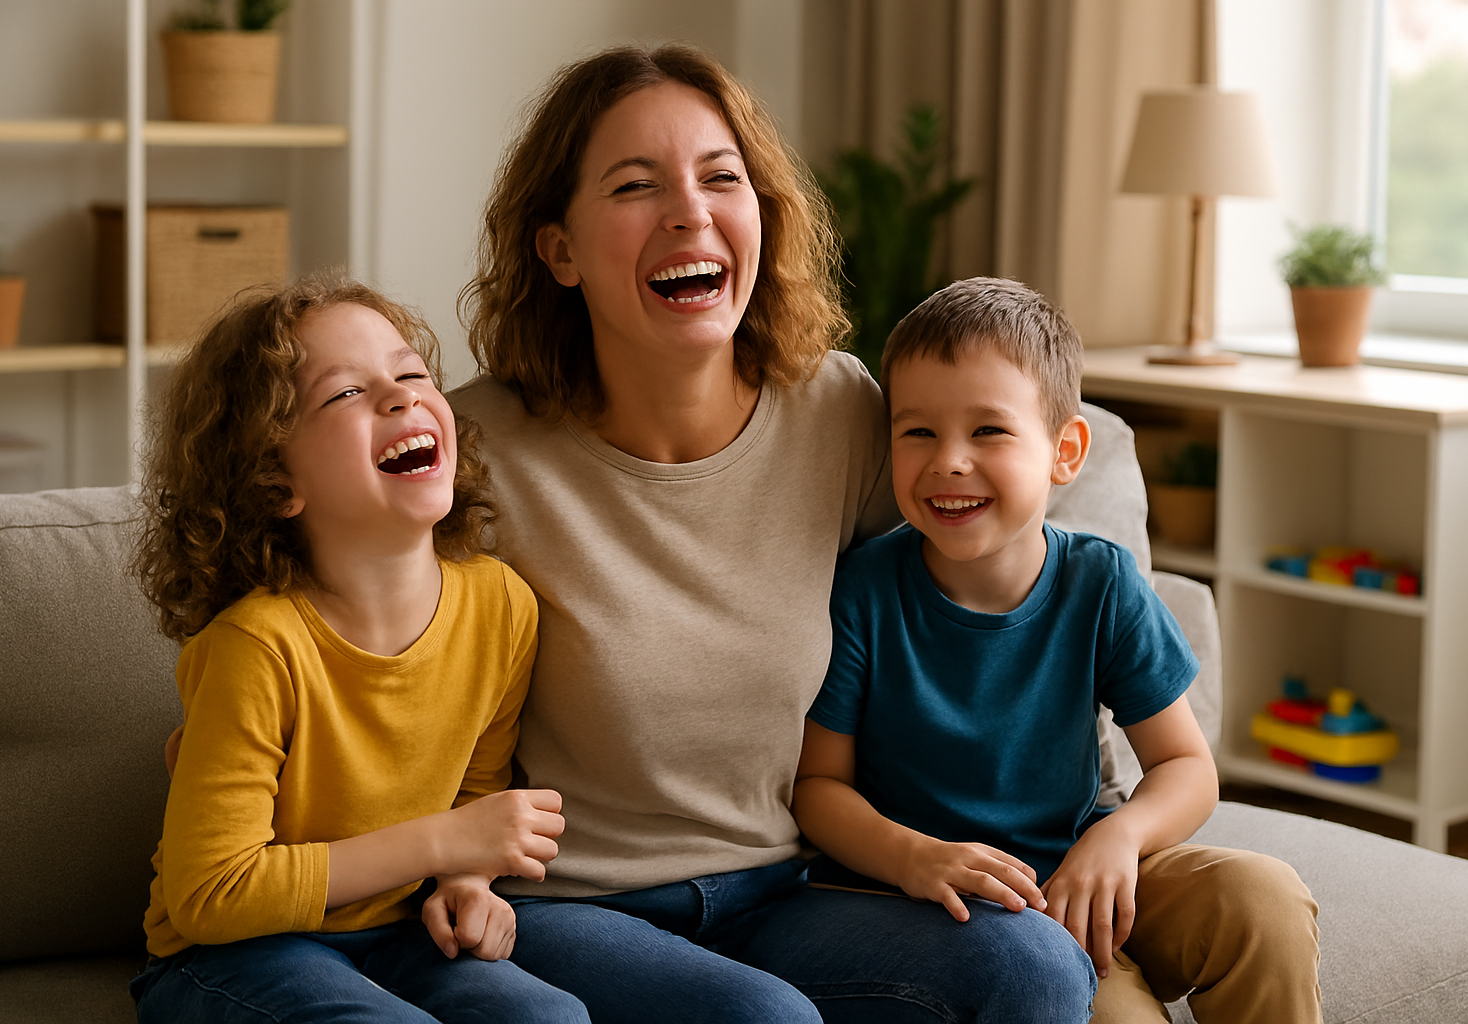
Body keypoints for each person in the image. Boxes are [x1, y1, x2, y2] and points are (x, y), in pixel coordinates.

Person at [445, 44, 1095, 1023]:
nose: (689, 213)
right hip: (567, 906)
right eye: (635, 185)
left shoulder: (836, 411)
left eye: (722, 178)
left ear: (762, 214)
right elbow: (365, 671)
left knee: (1032, 969)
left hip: (785, 891)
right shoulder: (473, 448)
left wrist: (1097, 817)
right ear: (559, 250)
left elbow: (976, 602)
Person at [792, 277, 1323, 1024]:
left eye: (988, 431)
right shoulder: (864, 593)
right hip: (967, 912)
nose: (948, 460)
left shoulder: (1100, 582)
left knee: (1264, 898)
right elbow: (818, 788)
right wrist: (913, 857)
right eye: (918, 432)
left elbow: (1185, 765)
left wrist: (1120, 836)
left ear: (1064, 451)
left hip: (1087, 864)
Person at [129, 276, 588, 1024]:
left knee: (550, 1018)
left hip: (395, 933)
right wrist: (447, 840)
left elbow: (477, 789)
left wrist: (467, 881)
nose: (403, 397)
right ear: (276, 481)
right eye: (345, 394)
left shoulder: (501, 606)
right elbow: (211, 894)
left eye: (411, 374)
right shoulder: (258, 646)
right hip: (227, 955)